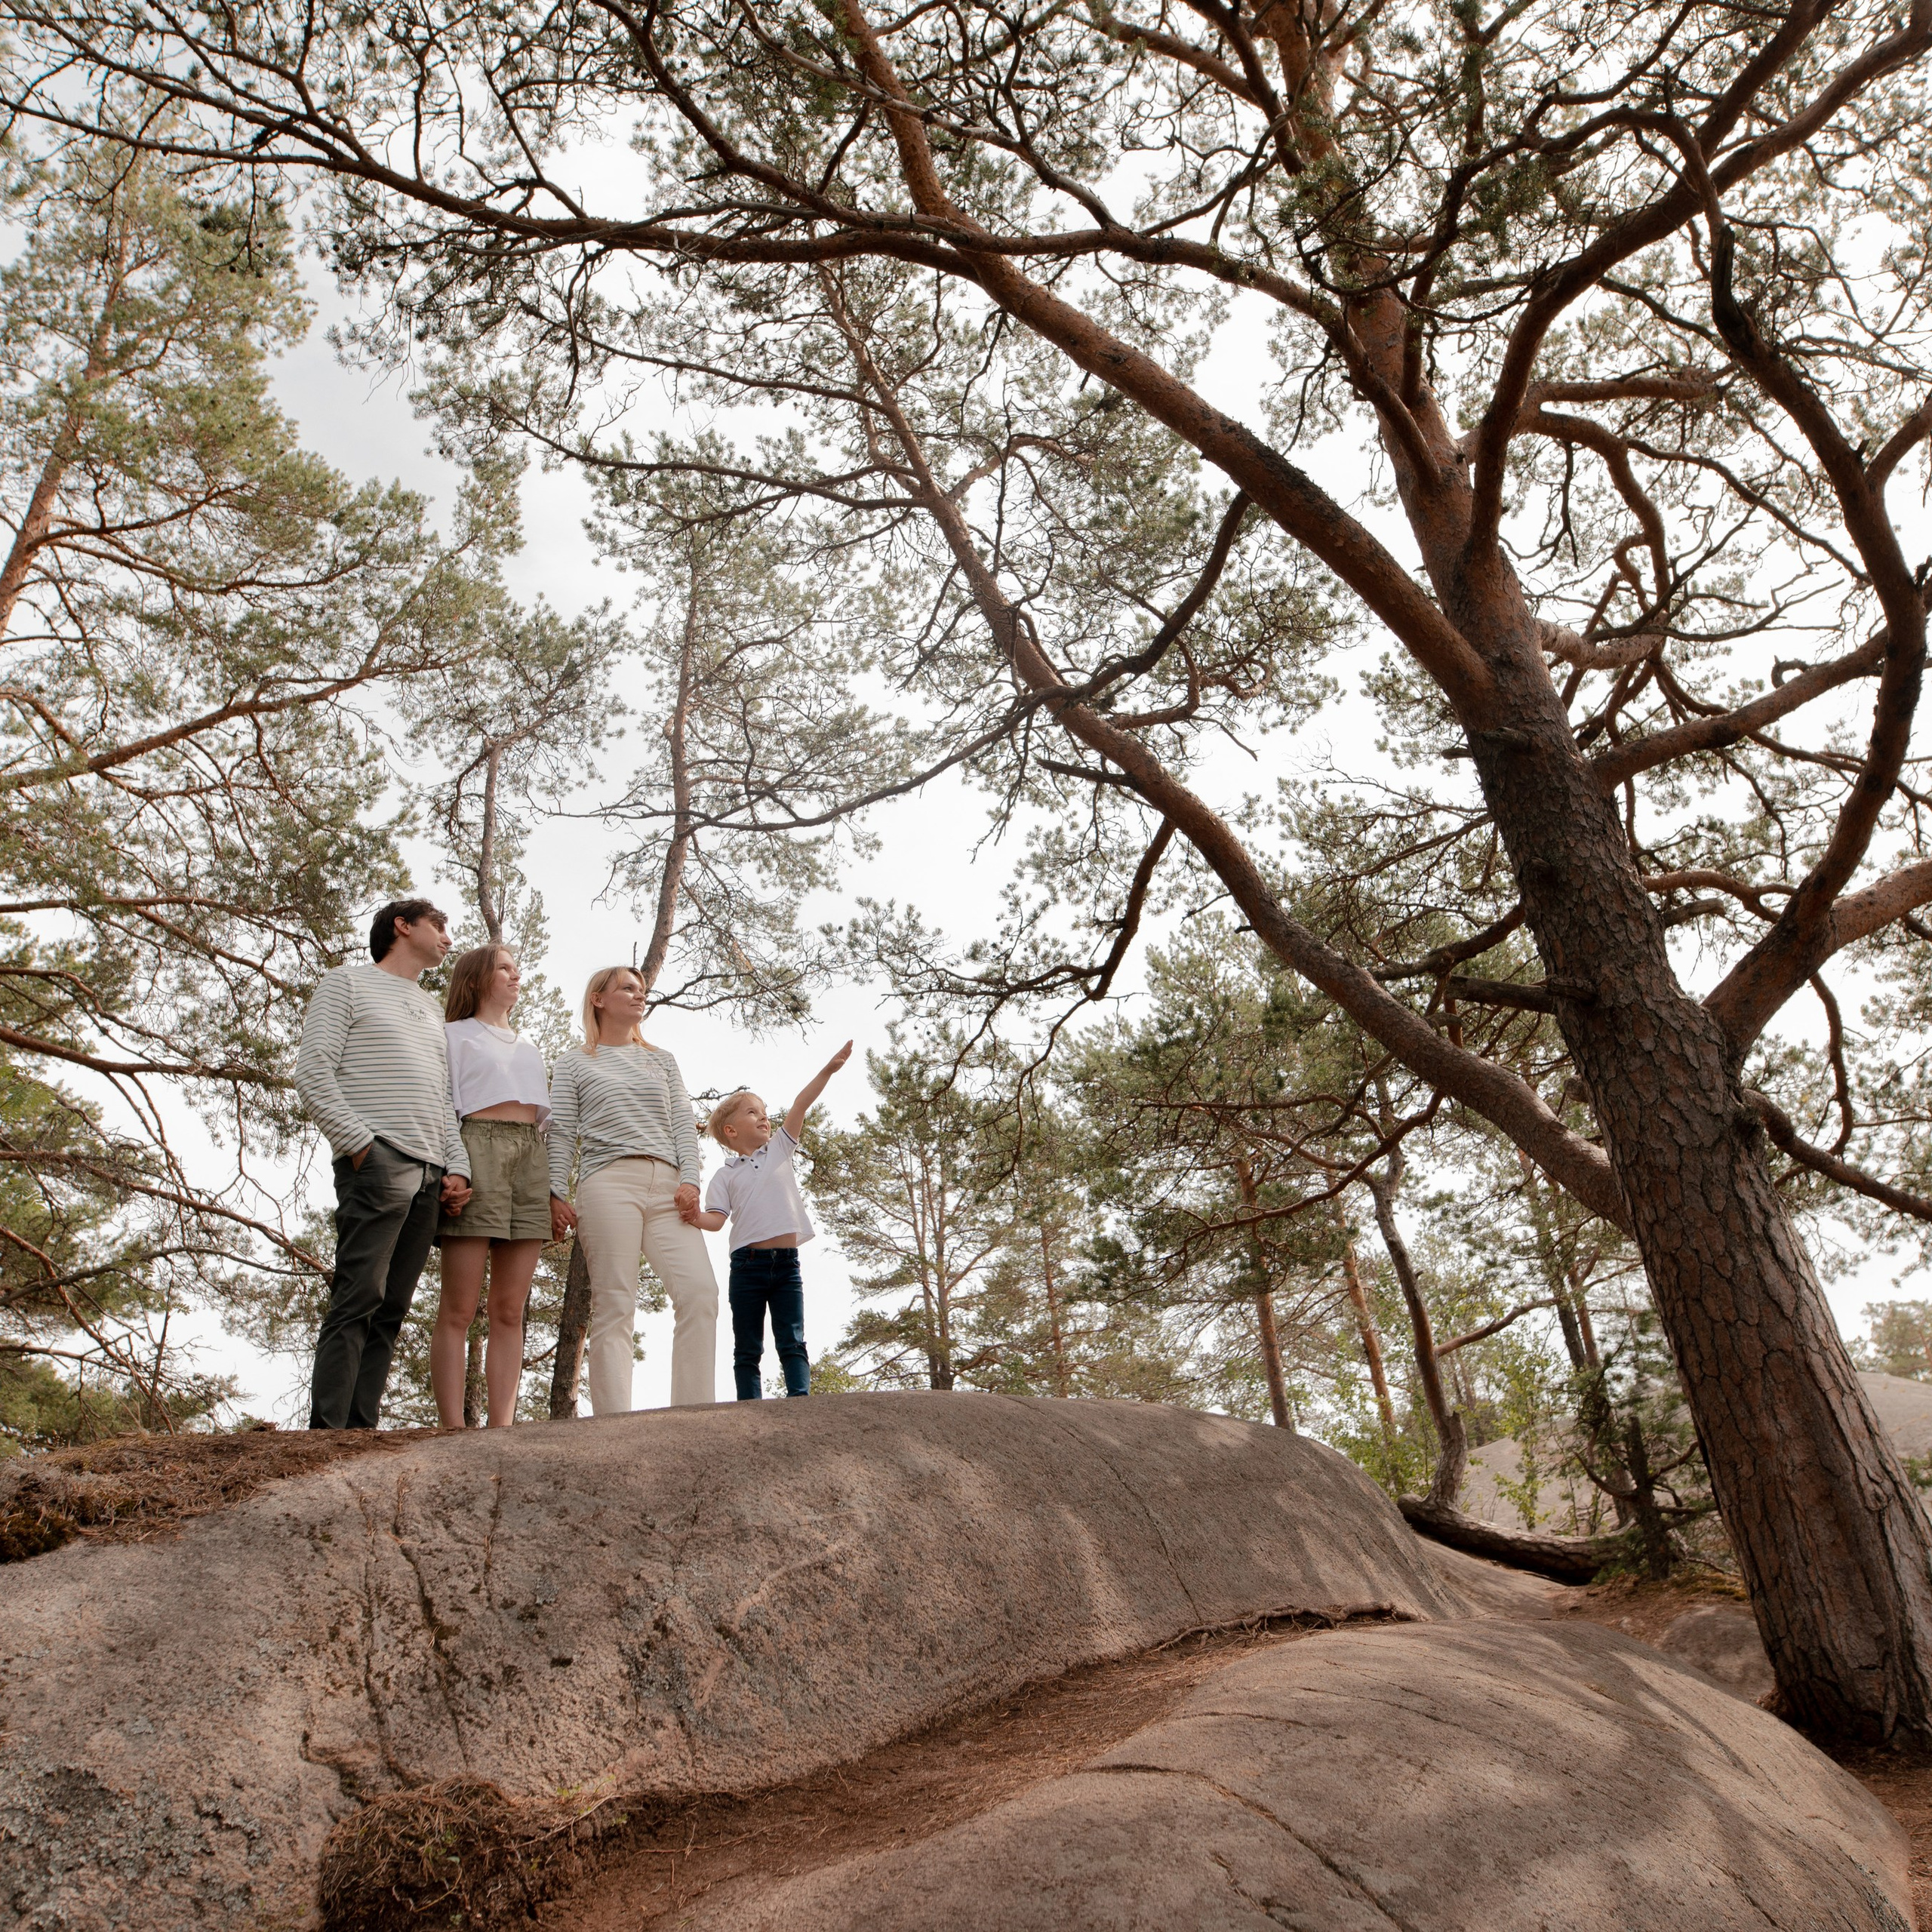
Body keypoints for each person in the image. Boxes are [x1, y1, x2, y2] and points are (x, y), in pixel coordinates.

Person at [294, 898, 473, 1429]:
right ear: (403, 926)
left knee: (393, 1307)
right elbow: (313, 1072)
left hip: (430, 1173)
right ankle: (327, 1434)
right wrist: (362, 1147)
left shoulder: (430, 1009)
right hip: (379, 1160)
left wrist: (456, 1167)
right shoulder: (345, 983)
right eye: (439, 926)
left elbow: (442, 1099)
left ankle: (361, 1431)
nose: (447, 939)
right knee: (359, 1296)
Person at [548, 966, 718, 1414]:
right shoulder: (573, 1062)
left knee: (700, 1292)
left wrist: (691, 1180)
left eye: (642, 990)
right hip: (607, 1183)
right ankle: (615, 1424)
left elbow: (683, 1124)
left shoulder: (662, 1060)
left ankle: (695, 1414)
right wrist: (555, 1192)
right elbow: (561, 1132)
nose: (640, 995)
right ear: (598, 999)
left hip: (669, 1187)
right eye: (627, 988)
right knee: (615, 1304)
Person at [429, 943, 554, 1429]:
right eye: (504, 968)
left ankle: (502, 1427)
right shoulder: (452, 1035)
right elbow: (443, 1108)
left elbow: (546, 1126)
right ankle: (452, 1427)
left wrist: (553, 1189)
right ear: (477, 978)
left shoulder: (529, 1047)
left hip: (530, 1157)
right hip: (475, 1148)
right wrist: (453, 1168)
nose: (515, 976)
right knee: (459, 1307)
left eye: (516, 969)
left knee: (509, 1309)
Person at [689, 1041, 852, 1401]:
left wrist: (828, 1070)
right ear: (731, 1131)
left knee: (792, 1338)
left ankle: (800, 1399)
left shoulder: (779, 1148)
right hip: (746, 1267)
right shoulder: (725, 1174)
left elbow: (801, 1104)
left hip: (787, 1266)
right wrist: (693, 1216)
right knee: (748, 1347)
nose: (764, 1117)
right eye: (752, 1112)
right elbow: (716, 1220)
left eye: (764, 1112)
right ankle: (750, 1408)